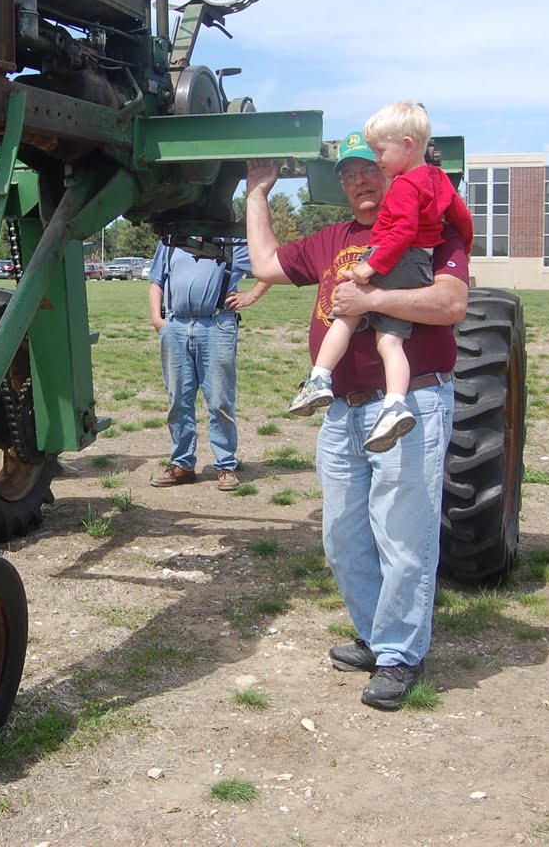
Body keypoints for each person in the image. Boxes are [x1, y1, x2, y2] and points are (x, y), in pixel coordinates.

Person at [245, 139, 468, 712]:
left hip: (408, 403)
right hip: (342, 409)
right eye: (349, 175)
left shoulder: (430, 232)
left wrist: (373, 298)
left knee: (402, 536)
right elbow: (265, 264)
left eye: (370, 169)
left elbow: (449, 305)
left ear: (394, 170)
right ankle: (375, 636)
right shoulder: (331, 240)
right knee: (343, 536)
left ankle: (400, 654)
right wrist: (258, 191)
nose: (361, 182)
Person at [288, 109, 474, 454]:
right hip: (419, 263)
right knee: (390, 342)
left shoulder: (405, 184)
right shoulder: (437, 179)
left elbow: (400, 233)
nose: (378, 160)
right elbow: (462, 217)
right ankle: (395, 404)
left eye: (378, 155)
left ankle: (319, 379)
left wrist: (367, 269)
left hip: (394, 258)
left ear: (407, 146)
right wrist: (464, 243)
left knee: (347, 314)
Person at [147, 236, 269, 491]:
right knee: (177, 399)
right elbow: (156, 281)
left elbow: (270, 267)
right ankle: (182, 464)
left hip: (217, 325)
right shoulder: (171, 240)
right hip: (176, 326)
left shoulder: (232, 241)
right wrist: (157, 320)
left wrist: (251, 296)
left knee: (220, 401)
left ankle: (225, 465)